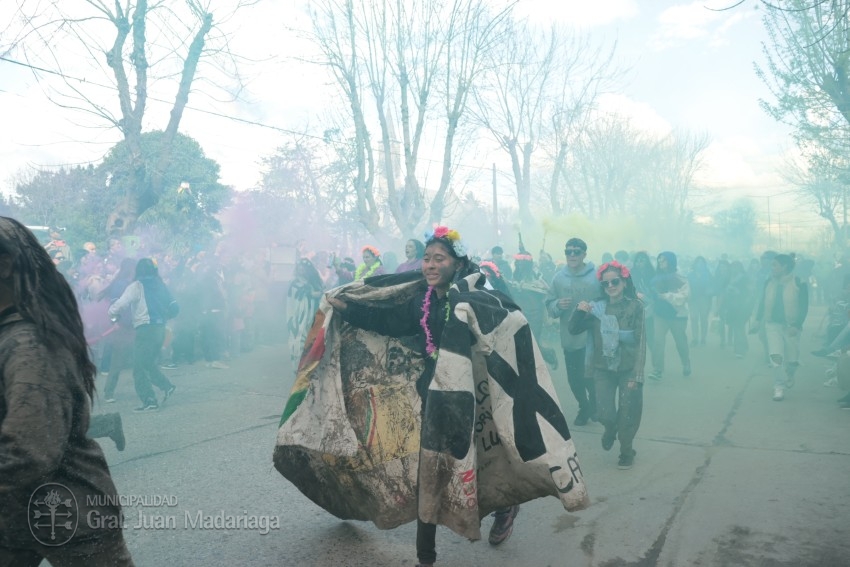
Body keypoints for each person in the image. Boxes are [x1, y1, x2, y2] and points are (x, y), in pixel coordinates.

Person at [328, 227, 523, 567]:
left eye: (439, 259)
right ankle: (426, 557)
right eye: (427, 259)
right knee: (428, 471)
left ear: (457, 263)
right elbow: (390, 321)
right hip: (432, 395)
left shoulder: (475, 297)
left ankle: (505, 506)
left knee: (474, 462)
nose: (430, 265)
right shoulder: (423, 299)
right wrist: (348, 308)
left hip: (473, 397)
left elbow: (509, 326)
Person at [0, 217, 134, 565]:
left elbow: (28, 449)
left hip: (73, 517)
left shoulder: (29, 344)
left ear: (5, 265)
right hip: (15, 519)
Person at [569, 260, 645, 470]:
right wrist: (579, 310)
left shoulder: (635, 306)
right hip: (602, 368)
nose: (610, 286)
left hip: (628, 369)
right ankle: (609, 429)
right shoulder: (597, 309)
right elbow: (573, 329)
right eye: (606, 284)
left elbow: (641, 342)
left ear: (624, 282)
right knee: (604, 414)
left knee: (628, 414)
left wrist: (637, 376)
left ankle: (626, 451)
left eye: (615, 282)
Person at [108, 258, 178, 411]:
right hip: (160, 329)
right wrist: (165, 317)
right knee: (147, 363)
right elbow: (175, 307)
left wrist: (111, 313)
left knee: (139, 368)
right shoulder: (161, 285)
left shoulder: (136, 286)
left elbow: (119, 305)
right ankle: (166, 385)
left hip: (145, 330)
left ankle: (149, 401)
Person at [546, 237, 599, 425]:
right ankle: (584, 405)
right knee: (574, 380)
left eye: (577, 252)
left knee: (590, 377)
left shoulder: (595, 276)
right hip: (569, 337)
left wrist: (594, 308)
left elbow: (607, 300)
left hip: (592, 337)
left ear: (584, 254)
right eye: (569, 251)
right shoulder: (559, 278)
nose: (572, 255)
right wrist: (557, 304)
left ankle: (593, 406)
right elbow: (549, 305)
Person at [751, 253, 808, 401]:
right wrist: (757, 320)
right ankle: (778, 386)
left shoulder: (799, 282)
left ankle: (790, 372)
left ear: (785, 267)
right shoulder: (768, 282)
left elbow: (804, 306)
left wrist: (797, 325)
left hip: (791, 326)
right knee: (775, 356)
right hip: (772, 325)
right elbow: (762, 302)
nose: (772, 268)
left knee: (792, 358)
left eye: (775, 265)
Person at [648, 251, 691, 380]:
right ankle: (657, 370)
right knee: (658, 341)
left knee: (680, 341)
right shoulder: (655, 278)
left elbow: (684, 296)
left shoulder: (680, 277)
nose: (661, 263)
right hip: (660, 314)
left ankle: (686, 363)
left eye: (664, 260)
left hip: (677, 315)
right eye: (659, 261)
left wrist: (666, 296)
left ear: (671, 261)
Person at [286, 258, 324, 362]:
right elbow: (292, 300)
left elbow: (322, 292)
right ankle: (298, 363)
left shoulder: (315, 281)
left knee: (312, 338)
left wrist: (317, 294)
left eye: (303, 269)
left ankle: (310, 361)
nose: (301, 271)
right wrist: (310, 294)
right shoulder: (295, 283)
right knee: (299, 337)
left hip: (314, 315)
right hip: (299, 317)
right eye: (299, 269)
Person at [687, 256, 713, 346]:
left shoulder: (708, 274)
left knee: (703, 319)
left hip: (704, 299)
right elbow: (687, 287)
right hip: (693, 299)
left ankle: (703, 338)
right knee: (694, 318)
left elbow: (711, 287)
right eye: (698, 262)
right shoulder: (690, 275)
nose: (700, 264)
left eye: (701, 262)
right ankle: (695, 338)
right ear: (695, 264)